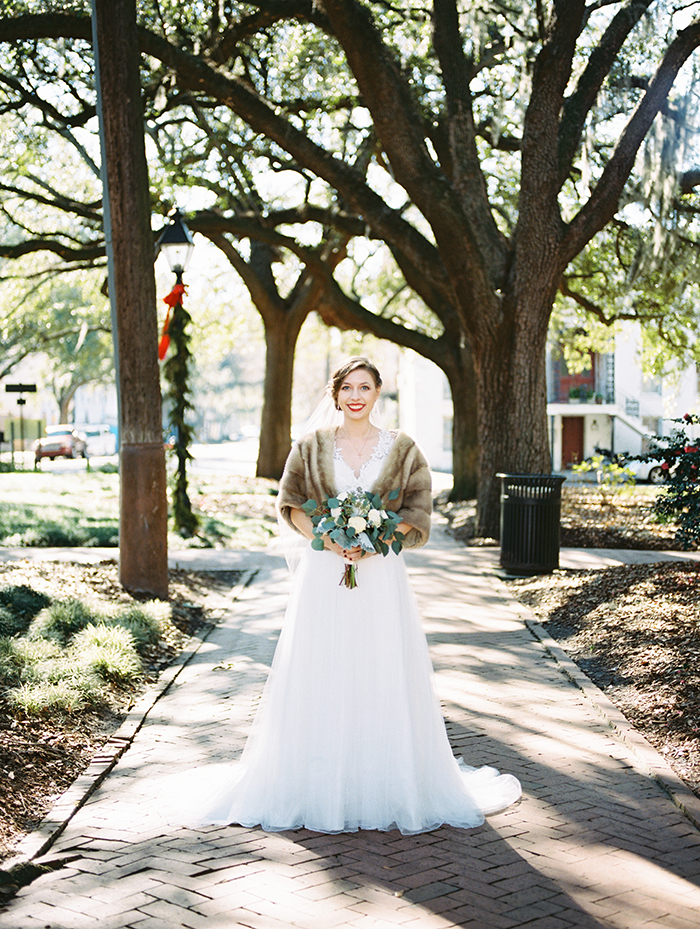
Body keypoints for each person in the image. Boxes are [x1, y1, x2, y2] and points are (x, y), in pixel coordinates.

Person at [191, 357, 521, 834]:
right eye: (348, 387)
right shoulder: (310, 447)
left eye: (365, 387)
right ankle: (314, 780)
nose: (356, 396)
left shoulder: (403, 449)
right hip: (324, 576)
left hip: (381, 576)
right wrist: (328, 539)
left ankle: (388, 779)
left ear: (378, 392)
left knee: (379, 664)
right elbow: (290, 503)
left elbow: (418, 510)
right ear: (336, 393)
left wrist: (379, 539)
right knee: (322, 666)